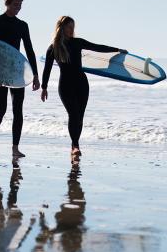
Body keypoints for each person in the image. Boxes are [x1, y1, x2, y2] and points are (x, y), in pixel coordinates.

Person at [41, 16, 126, 156]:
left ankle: (75, 144)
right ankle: (75, 145)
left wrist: (117, 50)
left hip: (81, 83)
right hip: (65, 85)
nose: (71, 30)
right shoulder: (53, 48)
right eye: (69, 27)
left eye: (73, 27)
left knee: (79, 116)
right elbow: (47, 69)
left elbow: (97, 47)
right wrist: (44, 88)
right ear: (61, 28)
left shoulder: (77, 42)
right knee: (73, 114)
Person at [0, 0, 40, 157]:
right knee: (0, 109)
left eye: (20, 5)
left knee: (18, 110)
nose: (18, 8)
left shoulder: (22, 25)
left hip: (16, 72)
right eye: (16, 4)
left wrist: (35, 75)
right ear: (7, 3)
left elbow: (29, 50)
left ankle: (15, 148)